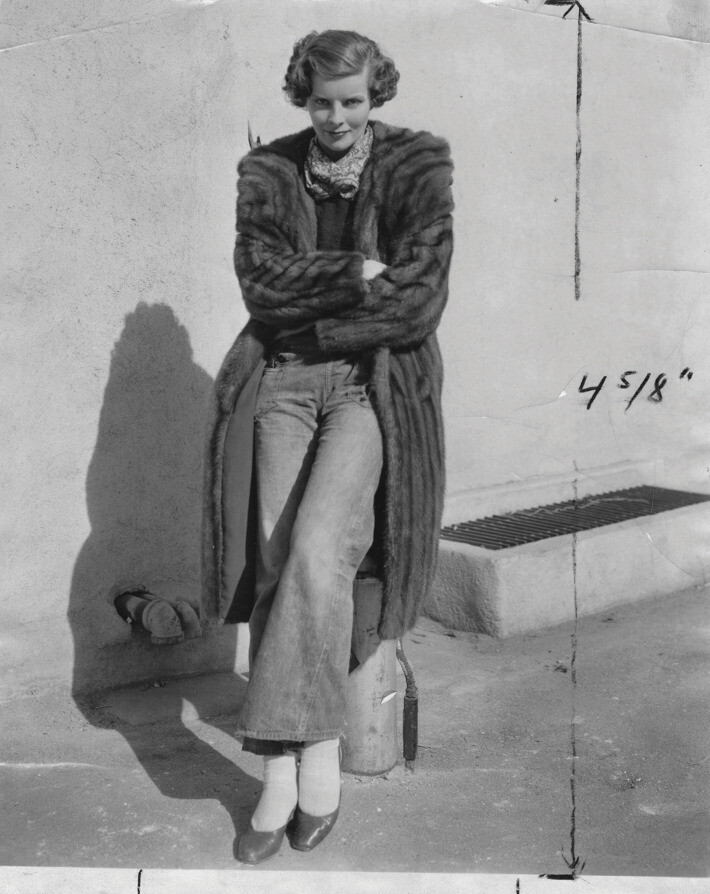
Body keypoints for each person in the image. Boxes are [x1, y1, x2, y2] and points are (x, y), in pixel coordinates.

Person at [201, 29, 454, 863]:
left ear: (375, 91)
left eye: (352, 100)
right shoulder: (268, 171)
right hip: (282, 383)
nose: (337, 117)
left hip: (367, 387)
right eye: (321, 102)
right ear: (300, 99)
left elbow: (418, 301)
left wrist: (321, 310)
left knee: (318, 551)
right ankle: (298, 758)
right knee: (276, 565)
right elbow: (258, 286)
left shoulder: (419, 164)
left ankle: (301, 759)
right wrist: (356, 271)